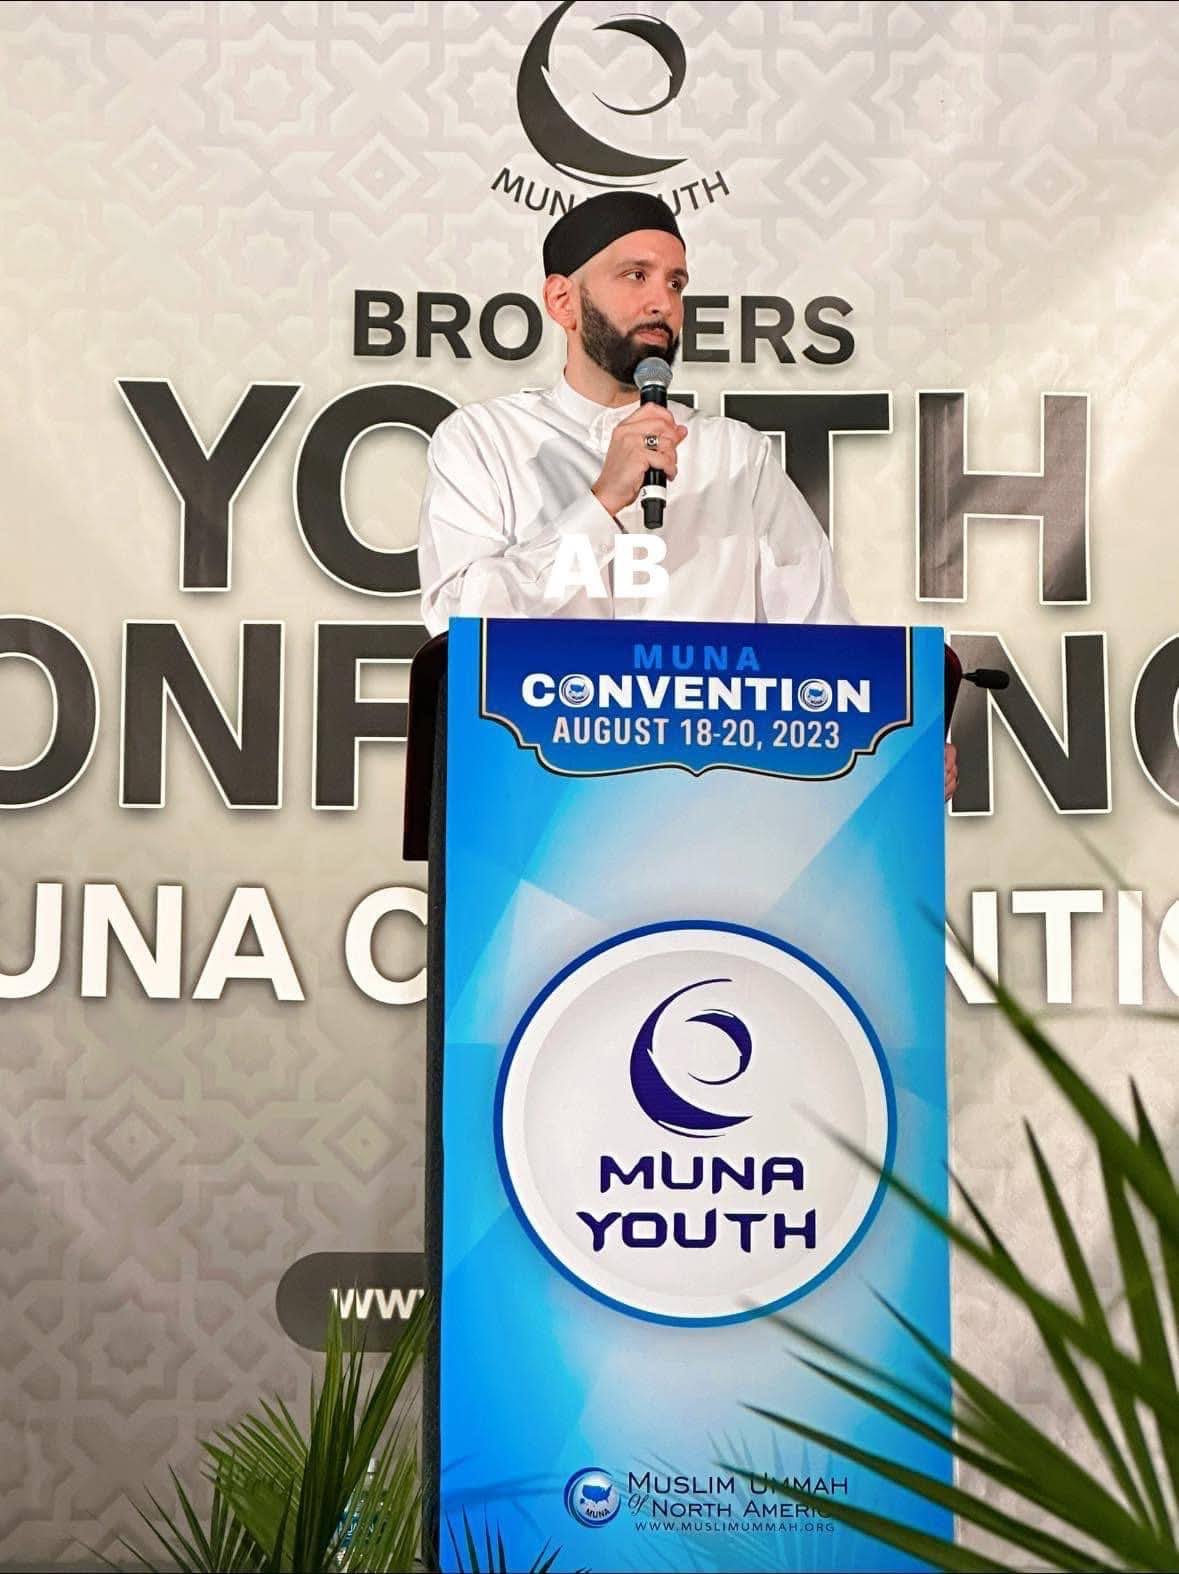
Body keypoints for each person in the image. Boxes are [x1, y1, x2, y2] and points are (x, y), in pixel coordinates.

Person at [416, 190, 958, 800]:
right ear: (562, 300)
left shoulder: (735, 456)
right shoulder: (484, 441)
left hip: (717, 812)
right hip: (535, 806)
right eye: (636, 276)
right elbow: (460, 631)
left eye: (675, 283)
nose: (662, 303)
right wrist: (600, 503)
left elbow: (821, 642)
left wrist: (895, 750)